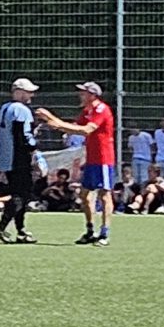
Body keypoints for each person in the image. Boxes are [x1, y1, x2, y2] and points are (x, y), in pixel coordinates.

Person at [0, 78, 75, 244]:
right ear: (18, 92)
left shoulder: (5, 108)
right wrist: (34, 152)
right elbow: (22, 136)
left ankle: (20, 230)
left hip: (6, 157)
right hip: (19, 158)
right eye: (28, 92)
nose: (31, 95)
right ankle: (2, 227)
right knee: (21, 195)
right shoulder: (21, 110)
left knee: (20, 194)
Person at [62, 81, 118, 246]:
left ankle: (104, 233)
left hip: (103, 159)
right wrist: (55, 124)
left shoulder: (101, 109)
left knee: (104, 195)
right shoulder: (87, 111)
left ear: (92, 95)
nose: (80, 95)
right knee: (85, 195)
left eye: (83, 92)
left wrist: (56, 122)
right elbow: (75, 126)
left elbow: (86, 129)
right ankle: (90, 230)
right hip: (91, 159)